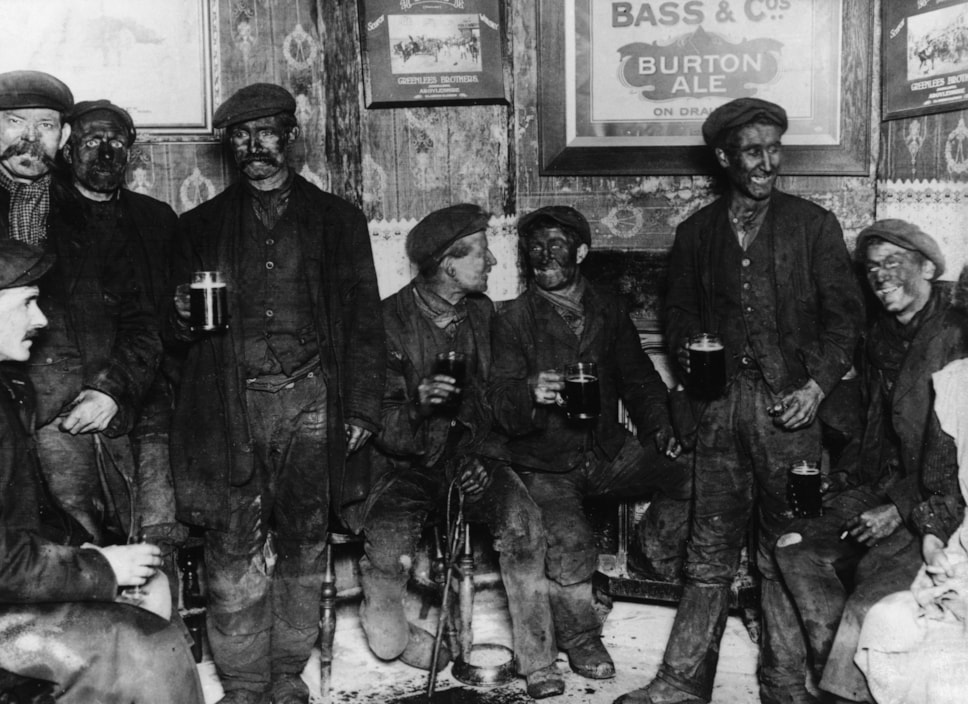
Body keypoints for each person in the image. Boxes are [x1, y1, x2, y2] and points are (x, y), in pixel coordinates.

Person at [615, 98, 865, 704]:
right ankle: (680, 683)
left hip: (794, 416)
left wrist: (814, 388)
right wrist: (695, 358)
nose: (767, 162)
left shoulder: (814, 225)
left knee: (788, 550)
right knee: (708, 550)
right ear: (725, 157)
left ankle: (784, 685)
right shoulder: (695, 234)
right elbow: (676, 317)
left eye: (774, 149)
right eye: (753, 151)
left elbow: (846, 322)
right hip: (721, 412)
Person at [169, 83, 385, 704]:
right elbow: (171, 336)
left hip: (313, 403)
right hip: (229, 408)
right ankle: (240, 680)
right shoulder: (199, 227)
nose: (254, 145)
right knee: (232, 545)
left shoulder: (339, 221)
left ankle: (287, 673)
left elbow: (365, 321)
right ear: (230, 145)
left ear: (290, 135)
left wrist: (365, 407)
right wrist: (181, 315)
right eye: (241, 135)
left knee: (303, 539)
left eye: (267, 132)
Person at [358, 204, 562, 698]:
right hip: (406, 468)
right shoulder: (384, 321)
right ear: (449, 263)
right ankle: (394, 638)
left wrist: (488, 450)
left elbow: (490, 399)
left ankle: (538, 661)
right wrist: (418, 409)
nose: (491, 262)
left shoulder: (481, 312)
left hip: (473, 461)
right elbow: (381, 422)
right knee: (385, 552)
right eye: (482, 253)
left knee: (524, 525)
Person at [489, 205, 691, 684]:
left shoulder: (606, 306)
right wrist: (527, 392)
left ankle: (648, 553)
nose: (543, 256)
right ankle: (581, 637)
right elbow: (497, 399)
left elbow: (638, 376)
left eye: (555, 245)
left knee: (695, 474)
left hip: (605, 450)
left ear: (580, 251)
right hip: (544, 461)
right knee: (570, 543)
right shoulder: (512, 319)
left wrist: (660, 426)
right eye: (534, 247)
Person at [0, 237, 203, 704]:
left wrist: (91, 555)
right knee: (150, 648)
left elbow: (29, 519)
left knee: (153, 607)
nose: (42, 320)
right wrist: (102, 569)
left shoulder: (8, 391)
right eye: (28, 303)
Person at [774, 220, 967, 702]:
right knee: (793, 548)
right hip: (884, 485)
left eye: (894, 262)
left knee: (870, 599)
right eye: (873, 267)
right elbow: (874, 427)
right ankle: (823, 682)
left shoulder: (959, 331)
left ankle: (846, 689)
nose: (881, 276)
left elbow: (953, 465)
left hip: (936, 507)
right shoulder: (880, 334)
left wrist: (899, 509)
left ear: (928, 267)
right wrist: (839, 477)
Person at [0, 72, 164, 551]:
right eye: (14, 122)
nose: (31, 139)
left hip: (70, 419)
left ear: (63, 137)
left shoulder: (92, 212)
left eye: (46, 126)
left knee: (85, 560)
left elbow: (140, 321)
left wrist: (110, 391)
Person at [853, 350, 968, 704]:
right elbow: (942, 487)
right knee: (887, 620)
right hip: (962, 546)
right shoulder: (957, 384)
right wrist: (933, 541)